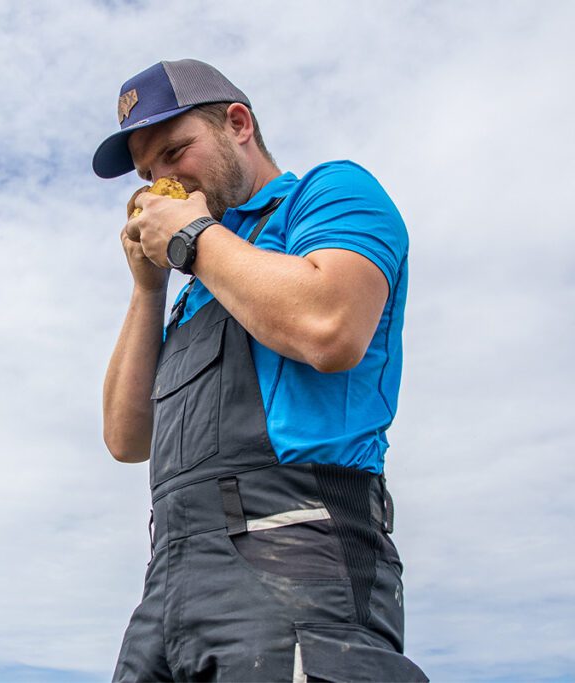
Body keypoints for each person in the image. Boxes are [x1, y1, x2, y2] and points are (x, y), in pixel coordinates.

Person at [96, 59, 428, 682]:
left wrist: (193, 235)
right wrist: (149, 288)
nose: (161, 181)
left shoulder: (328, 195)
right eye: (147, 174)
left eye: (175, 152)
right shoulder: (202, 275)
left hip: (298, 546)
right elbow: (125, 438)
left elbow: (329, 328)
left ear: (238, 125)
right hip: (168, 576)